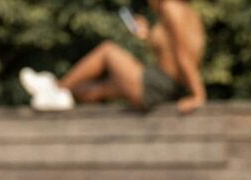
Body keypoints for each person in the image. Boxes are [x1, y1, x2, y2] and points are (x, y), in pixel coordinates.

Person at [21, 0, 207, 113]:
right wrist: (147, 36)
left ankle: (55, 88)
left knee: (107, 51)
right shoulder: (189, 13)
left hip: (159, 83)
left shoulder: (169, 7)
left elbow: (184, 57)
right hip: (167, 84)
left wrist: (198, 95)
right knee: (97, 90)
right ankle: (58, 95)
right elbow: (173, 54)